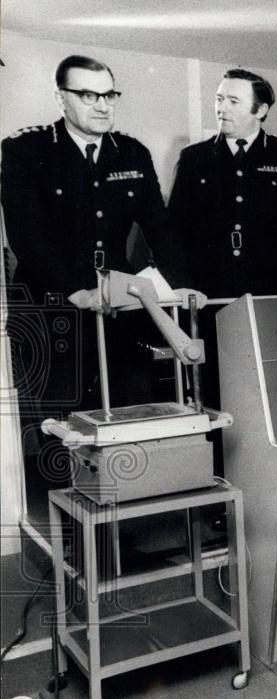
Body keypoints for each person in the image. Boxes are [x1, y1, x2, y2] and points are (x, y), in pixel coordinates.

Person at [1, 54, 197, 498]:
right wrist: (74, 289)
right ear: (61, 98)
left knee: (131, 409)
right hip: (51, 311)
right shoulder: (25, 150)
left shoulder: (131, 152)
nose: (102, 105)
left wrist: (177, 281)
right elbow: (26, 235)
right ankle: (69, 535)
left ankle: (127, 525)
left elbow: (159, 226)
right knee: (60, 426)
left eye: (109, 94)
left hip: (115, 311)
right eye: (88, 95)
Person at [168, 68, 277, 298]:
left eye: (233, 101)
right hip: (211, 293)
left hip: (276, 291)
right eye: (219, 99)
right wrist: (181, 284)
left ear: (260, 110)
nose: (221, 108)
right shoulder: (194, 158)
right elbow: (173, 231)